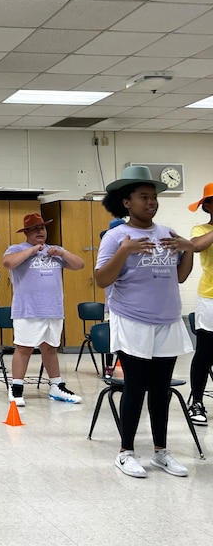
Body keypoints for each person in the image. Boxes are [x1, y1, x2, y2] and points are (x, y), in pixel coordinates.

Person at [96, 165, 195, 478]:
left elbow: (179, 276)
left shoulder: (167, 233)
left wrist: (189, 250)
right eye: (143, 197)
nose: (151, 202)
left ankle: (161, 452)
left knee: (161, 388)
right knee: (136, 387)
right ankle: (125, 452)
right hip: (132, 320)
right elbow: (101, 280)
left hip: (167, 319)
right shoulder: (116, 237)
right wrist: (125, 250)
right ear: (127, 202)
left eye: (153, 197)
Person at [2, 213, 85, 407]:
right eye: (35, 229)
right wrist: (31, 252)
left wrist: (62, 253)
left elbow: (79, 265)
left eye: (43, 228)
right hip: (28, 309)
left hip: (53, 309)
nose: (40, 232)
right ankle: (16, 388)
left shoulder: (55, 250)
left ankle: (56, 386)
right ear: (27, 233)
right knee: (24, 348)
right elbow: (7, 263)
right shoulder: (17, 249)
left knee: (50, 348)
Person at [186, 183, 213, 426]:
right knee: (205, 353)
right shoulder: (201, 229)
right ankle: (196, 401)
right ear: (206, 206)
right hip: (210, 298)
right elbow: (195, 247)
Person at [99, 217, 126, 379]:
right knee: (112, 337)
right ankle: (108, 366)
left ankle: (130, 367)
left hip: (130, 307)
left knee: (127, 341)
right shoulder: (108, 256)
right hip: (112, 304)